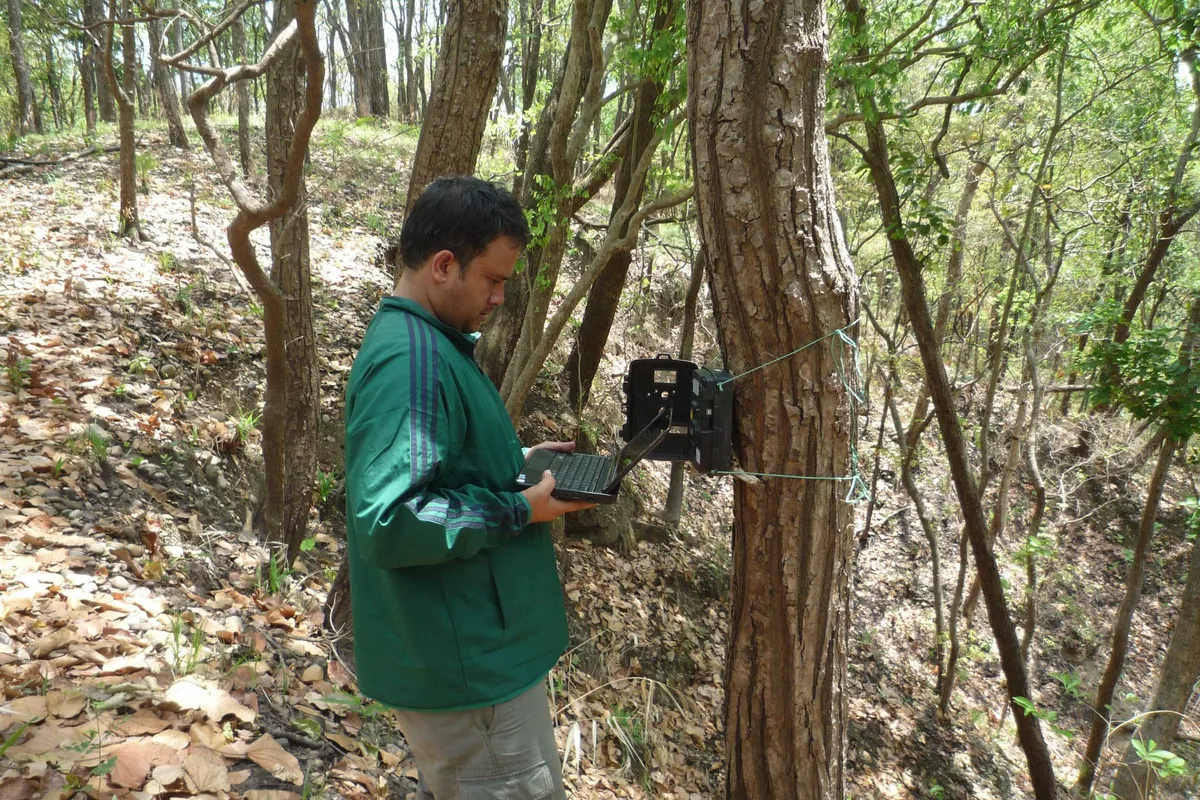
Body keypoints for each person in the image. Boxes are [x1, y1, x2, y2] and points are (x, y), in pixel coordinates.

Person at [343, 175, 593, 800]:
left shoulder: (430, 346)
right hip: (467, 671)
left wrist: (518, 463)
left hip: (473, 654)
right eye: (494, 278)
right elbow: (391, 517)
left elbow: (434, 472)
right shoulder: (412, 363)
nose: (501, 297)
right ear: (444, 265)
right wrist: (516, 509)